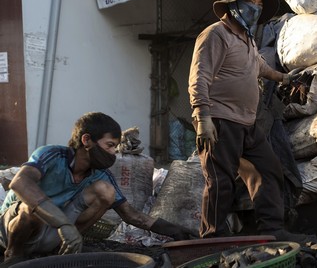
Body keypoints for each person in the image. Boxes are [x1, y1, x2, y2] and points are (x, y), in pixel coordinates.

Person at [188, 0, 313, 243]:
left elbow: (260, 67)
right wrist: (203, 118)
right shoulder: (215, 35)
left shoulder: (246, 39)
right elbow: (199, 76)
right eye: (250, 4)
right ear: (233, 5)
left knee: (269, 170)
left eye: (259, 6)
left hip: (247, 122)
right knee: (220, 181)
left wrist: (284, 78)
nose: (255, 9)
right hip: (219, 121)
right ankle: (212, 238)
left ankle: (272, 229)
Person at [0, 112, 195, 266]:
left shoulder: (100, 174)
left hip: (55, 233)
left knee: (105, 191)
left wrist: (177, 232)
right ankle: (14, 257)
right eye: (109, 145)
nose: (113, 153)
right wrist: (63, 224)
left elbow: (132, 216)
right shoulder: (52, 155)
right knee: (29, 206)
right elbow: (20, 183)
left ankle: (64, 248)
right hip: (11, 231)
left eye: (115, 147)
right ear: (87, 140)